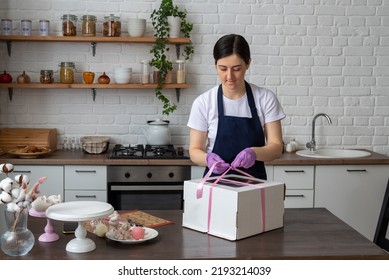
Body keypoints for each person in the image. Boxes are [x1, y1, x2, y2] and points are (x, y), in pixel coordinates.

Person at [187, 34, 285, 180]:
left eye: (237, 68)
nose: (229, 76)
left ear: (248, 64)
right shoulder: (204, 102)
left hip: (254, 184)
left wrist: (254, 153)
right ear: (215, 65)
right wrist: (207, 159)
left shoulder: (265, 98)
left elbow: (276, 147)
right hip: (216, 183)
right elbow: (194, 150)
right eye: (223, 68)